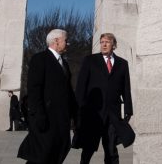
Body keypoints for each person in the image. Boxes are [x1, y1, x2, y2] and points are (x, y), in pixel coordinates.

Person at [17, 29, 78, 164]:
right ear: (56, 41)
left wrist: (75, 115)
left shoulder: (64, 63)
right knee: (41, 156)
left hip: (61, 119)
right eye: (65, 40)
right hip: (45, 118)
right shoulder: (40, 59)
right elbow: (34, 90)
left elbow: (68, 92)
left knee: (57, 152)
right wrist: (39, 115)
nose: (68, 43)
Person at [75, 33, 133, 164]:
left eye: (107, 42)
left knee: (111, 148)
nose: (104, 45)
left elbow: (126, 88)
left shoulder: (122, 64)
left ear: (114, 45)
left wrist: (128, 109)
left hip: (113, 113)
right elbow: (81, 87)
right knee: (88, 148)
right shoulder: (90, 60)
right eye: (102, 42)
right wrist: (78, 109)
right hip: (93, 112)